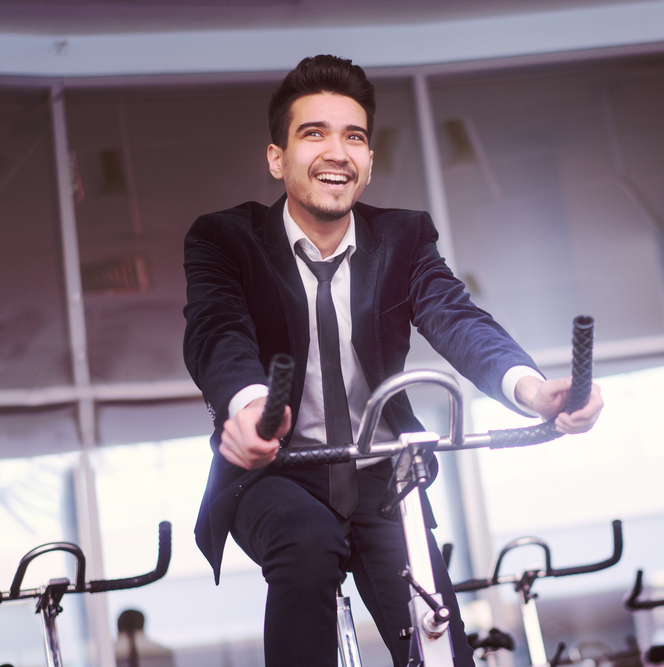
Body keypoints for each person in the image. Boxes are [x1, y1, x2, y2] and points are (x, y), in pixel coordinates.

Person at [183, 54, 603, 667]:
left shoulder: (403, 238)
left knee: (438, 635)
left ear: (370, 163)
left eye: (353, 136)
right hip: (275, 472)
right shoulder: (225, 240)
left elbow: (456, 319)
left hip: (386, 475)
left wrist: (535, 392)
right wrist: (250, 406)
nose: (337, 151)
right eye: (313, 133)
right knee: (306, 544)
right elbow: (217, 331)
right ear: (277, 158)